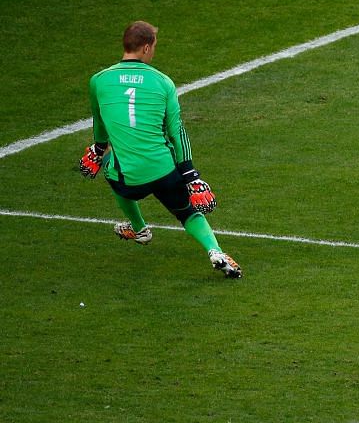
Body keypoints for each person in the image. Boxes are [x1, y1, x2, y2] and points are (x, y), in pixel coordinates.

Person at [78, 20, 242, 278]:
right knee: (187, 212)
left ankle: (139, 228)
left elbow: (99, 123)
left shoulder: (98, 81)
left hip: (129, 180)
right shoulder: (163, 82)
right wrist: (190, 174)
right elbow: (176, 132)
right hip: (164, 170)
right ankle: (215, 251)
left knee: (109, 159)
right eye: (154, 46)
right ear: (145, 48)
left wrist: (99, 149)